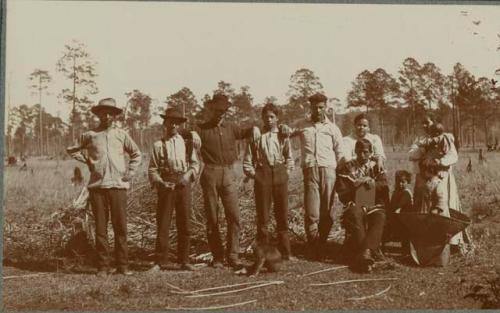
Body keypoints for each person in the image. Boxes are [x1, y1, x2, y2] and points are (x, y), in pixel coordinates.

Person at [67, 98, 142, 276]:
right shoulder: (90, 135)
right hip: (97, 187)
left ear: (114, 116)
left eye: (110, 113)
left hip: (118, 186)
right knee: (101, 228)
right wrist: (87, 160)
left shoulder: (121, 134)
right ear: (98, 114)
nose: (106, 116)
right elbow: (72, 149)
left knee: (120, 227)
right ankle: (103, 266)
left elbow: (136, 153)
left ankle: (123, 265)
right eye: (103, 112)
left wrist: (130, 173)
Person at [192, 93, 260, 270]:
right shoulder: (201, 128)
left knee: (234, 216)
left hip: (229, 173)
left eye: (224, 111)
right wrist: (192, 133)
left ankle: (233, 255)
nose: (220, 113)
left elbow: (247, 131)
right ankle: (217, 257)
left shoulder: (231, 128)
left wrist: (255, 128)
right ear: (211, 109)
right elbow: (185, 132)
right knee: (212, 218)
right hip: (210, 173)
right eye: (217, 110)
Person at [289, 93, 346, 259]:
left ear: (326, 107)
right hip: (310, 169)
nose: (318, 110)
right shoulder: (302, 125)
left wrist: (343, 170)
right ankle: (313, 246)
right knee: (312, 210)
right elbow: (287, 132)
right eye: (315, 107)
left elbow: (340, 151)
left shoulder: (333, 128)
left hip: (329, 170)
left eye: (321, 107)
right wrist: (284, 128)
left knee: (326, 211)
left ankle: (322, 243)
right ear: (310, 107)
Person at [148, 108, 200, 272]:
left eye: (176, 122)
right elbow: (152, 170)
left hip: (183, 183)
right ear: (165, 123)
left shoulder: (186, 143)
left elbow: (195, 164)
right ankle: (160, 261)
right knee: (163, 222)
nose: (173, 125)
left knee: (185, 222)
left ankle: (184, 260)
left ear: (180, 125)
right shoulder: (158, 145)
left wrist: (188, 176)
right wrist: (161, 182)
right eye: (170, 121)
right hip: (166, 184)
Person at [243, 103, 295, 261]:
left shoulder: (283, 135)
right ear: (262, 118)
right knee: (263, 217)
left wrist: (285, 172)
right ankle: (263, 253)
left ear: (277, 118)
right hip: (263, 175)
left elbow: (290, 157)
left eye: (272, 116)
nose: (269, 119)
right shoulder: (256, 136)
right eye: (266, 117)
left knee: (282, 215)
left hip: (280, 174)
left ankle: (286, 252)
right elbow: (247, 161)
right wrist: (256, 175)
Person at [409, 114, 465, 249]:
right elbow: (412, 155)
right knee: (423, 207)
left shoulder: (446, 137)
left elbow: (452, 155)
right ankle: (425, 241)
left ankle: (450, 242)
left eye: (427, 122)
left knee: (443, 205)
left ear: (434, 123)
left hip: (442, 176)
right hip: (424, 177)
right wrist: (423, 149)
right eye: (422, 123)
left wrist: (439, 162)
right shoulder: (421, 140)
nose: (425, 125)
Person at [336, 139, 389, 272]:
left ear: (371, 153)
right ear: (355, 151)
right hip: (354, 203)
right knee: (354, 214)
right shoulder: (348, 167)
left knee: (380, 216)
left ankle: (365, 253)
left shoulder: (376, 167)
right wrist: (356, 185)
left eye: (366, 152)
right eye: (359, 151)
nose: (362, 155)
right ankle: (370, 251)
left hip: (374, 204)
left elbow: (384, 185)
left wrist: (372, 183)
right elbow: (341, 190)